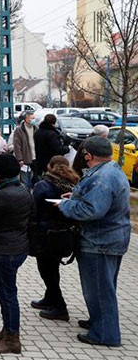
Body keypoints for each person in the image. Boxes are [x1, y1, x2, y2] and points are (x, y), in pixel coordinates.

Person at [58, 136, 131, 347]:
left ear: (88, 155)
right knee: (103, 286)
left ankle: (105, 334)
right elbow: (97, 200)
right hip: (111, 239)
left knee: (99, 289)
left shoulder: (102, 178)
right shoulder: (111, 170)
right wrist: (75, 196)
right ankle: (98, 321)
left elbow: (92, 210)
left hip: (100, 242)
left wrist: (66, 206)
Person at [0, 154, 34, 354]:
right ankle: (7, 329)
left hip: (6, 249)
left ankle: (12, 339)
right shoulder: (22, 189)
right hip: (17, 246)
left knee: (7, 293)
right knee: (3, 288)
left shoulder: (5, 194)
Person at [29, 156, 79, 321]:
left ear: (49, 167)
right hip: (64, 234)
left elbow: (33, 208)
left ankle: (59, 306)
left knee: (47, 270)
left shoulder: (43, 185)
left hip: (45, 234)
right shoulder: (74, 185)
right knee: (52, 268)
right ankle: (49, 298)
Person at [12, 110, 37, 184]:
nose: (33, 120)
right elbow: (17, 146)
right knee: (25, 180)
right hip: (25, 159)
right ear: (26, 119)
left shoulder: (36, 128)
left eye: (34, 118)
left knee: (35, 179)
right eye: (32, 118)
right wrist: (20, 159)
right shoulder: (19, 130)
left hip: (35, 158)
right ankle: (26, 194)